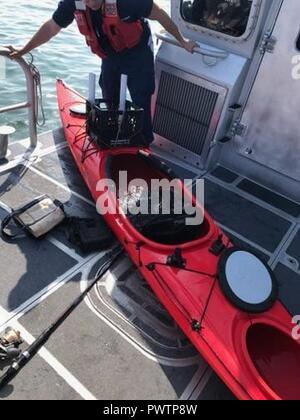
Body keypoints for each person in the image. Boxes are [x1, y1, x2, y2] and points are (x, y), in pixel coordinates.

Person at [7, 0, 197, 145]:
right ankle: (112, 138)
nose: (88, 2)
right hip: (110, 53)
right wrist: (24, 49)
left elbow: (160, 14)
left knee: (141, 96)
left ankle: (143, 142)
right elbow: (52, 26)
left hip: (137, 50)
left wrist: (183, 41)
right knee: (109, 94)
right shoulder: (74, 2)